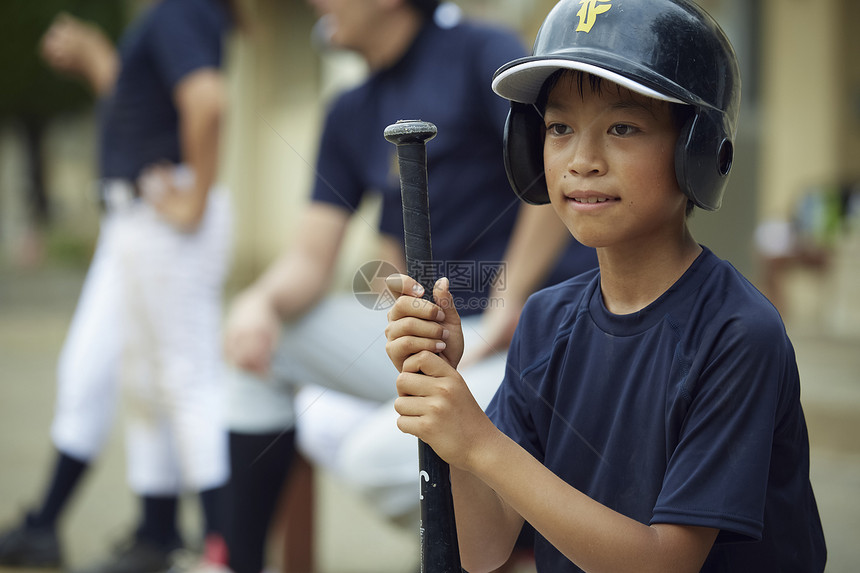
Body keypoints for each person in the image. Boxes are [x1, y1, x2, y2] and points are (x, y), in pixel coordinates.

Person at [384, 0, 828, 571]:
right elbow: (483, 547)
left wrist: (481, 443)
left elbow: (663, 563)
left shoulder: (738, 334)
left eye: (623, 127)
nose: (582, 160)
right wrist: (452, 409)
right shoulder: (546, 321)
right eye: (560, 128)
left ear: (696, 149)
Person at [220, 0, 596, 571]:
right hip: (443, 336)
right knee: (266, 343)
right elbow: (314, 257)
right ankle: (234, 563)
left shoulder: (479, 54)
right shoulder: (349, 109)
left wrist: (507, 299)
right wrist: (258, 302)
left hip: (523, 335)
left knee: (372, 459)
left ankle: (518, 544)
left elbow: (557, 162)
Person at [0, 2, 237, 571]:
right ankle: (157, 537)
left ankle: (225, 551)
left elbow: (208, 102)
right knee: (139, 383)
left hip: (162, 216)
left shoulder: (181, 7)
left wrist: (194, 199)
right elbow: (146, 105)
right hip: (136, 219)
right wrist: (98, 59)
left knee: (185, 381)